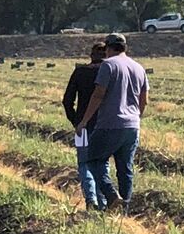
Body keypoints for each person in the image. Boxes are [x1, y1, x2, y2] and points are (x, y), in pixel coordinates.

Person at [76, 33, 149, 215]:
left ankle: (110, 194)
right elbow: (144, 100)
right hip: (132, 126)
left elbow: (99, 94)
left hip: (109, 124)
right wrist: (136, 117)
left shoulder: (108, 65)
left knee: (92, 160)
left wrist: (84, 121)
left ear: (108, 48)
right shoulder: (139, 68)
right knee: (125, 168)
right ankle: (124, 210)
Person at [62, 42, 108, 210]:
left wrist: (75, 121)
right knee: (102, 164)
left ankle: (91, 198)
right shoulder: (110, 73)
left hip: (82, 127)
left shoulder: (80, 72)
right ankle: (102, 202)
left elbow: (67, 101)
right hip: (105, 127)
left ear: (91, 55)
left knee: (84, 163)